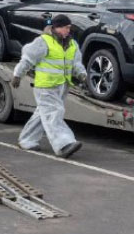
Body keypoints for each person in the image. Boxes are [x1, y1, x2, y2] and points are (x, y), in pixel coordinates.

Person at [11, 14, 85, 159]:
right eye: (66, 27)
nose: (68, 31)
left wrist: (83, 75)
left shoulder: (72, 44)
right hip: (45, 86)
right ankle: (64, 144)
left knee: (42, 114)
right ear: (56, 27)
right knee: (54, 111)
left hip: (62, 86)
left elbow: (76, 63)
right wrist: (17, 75)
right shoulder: (43, 41)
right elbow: (27, 59)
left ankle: (27, 140)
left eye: (70, 28)